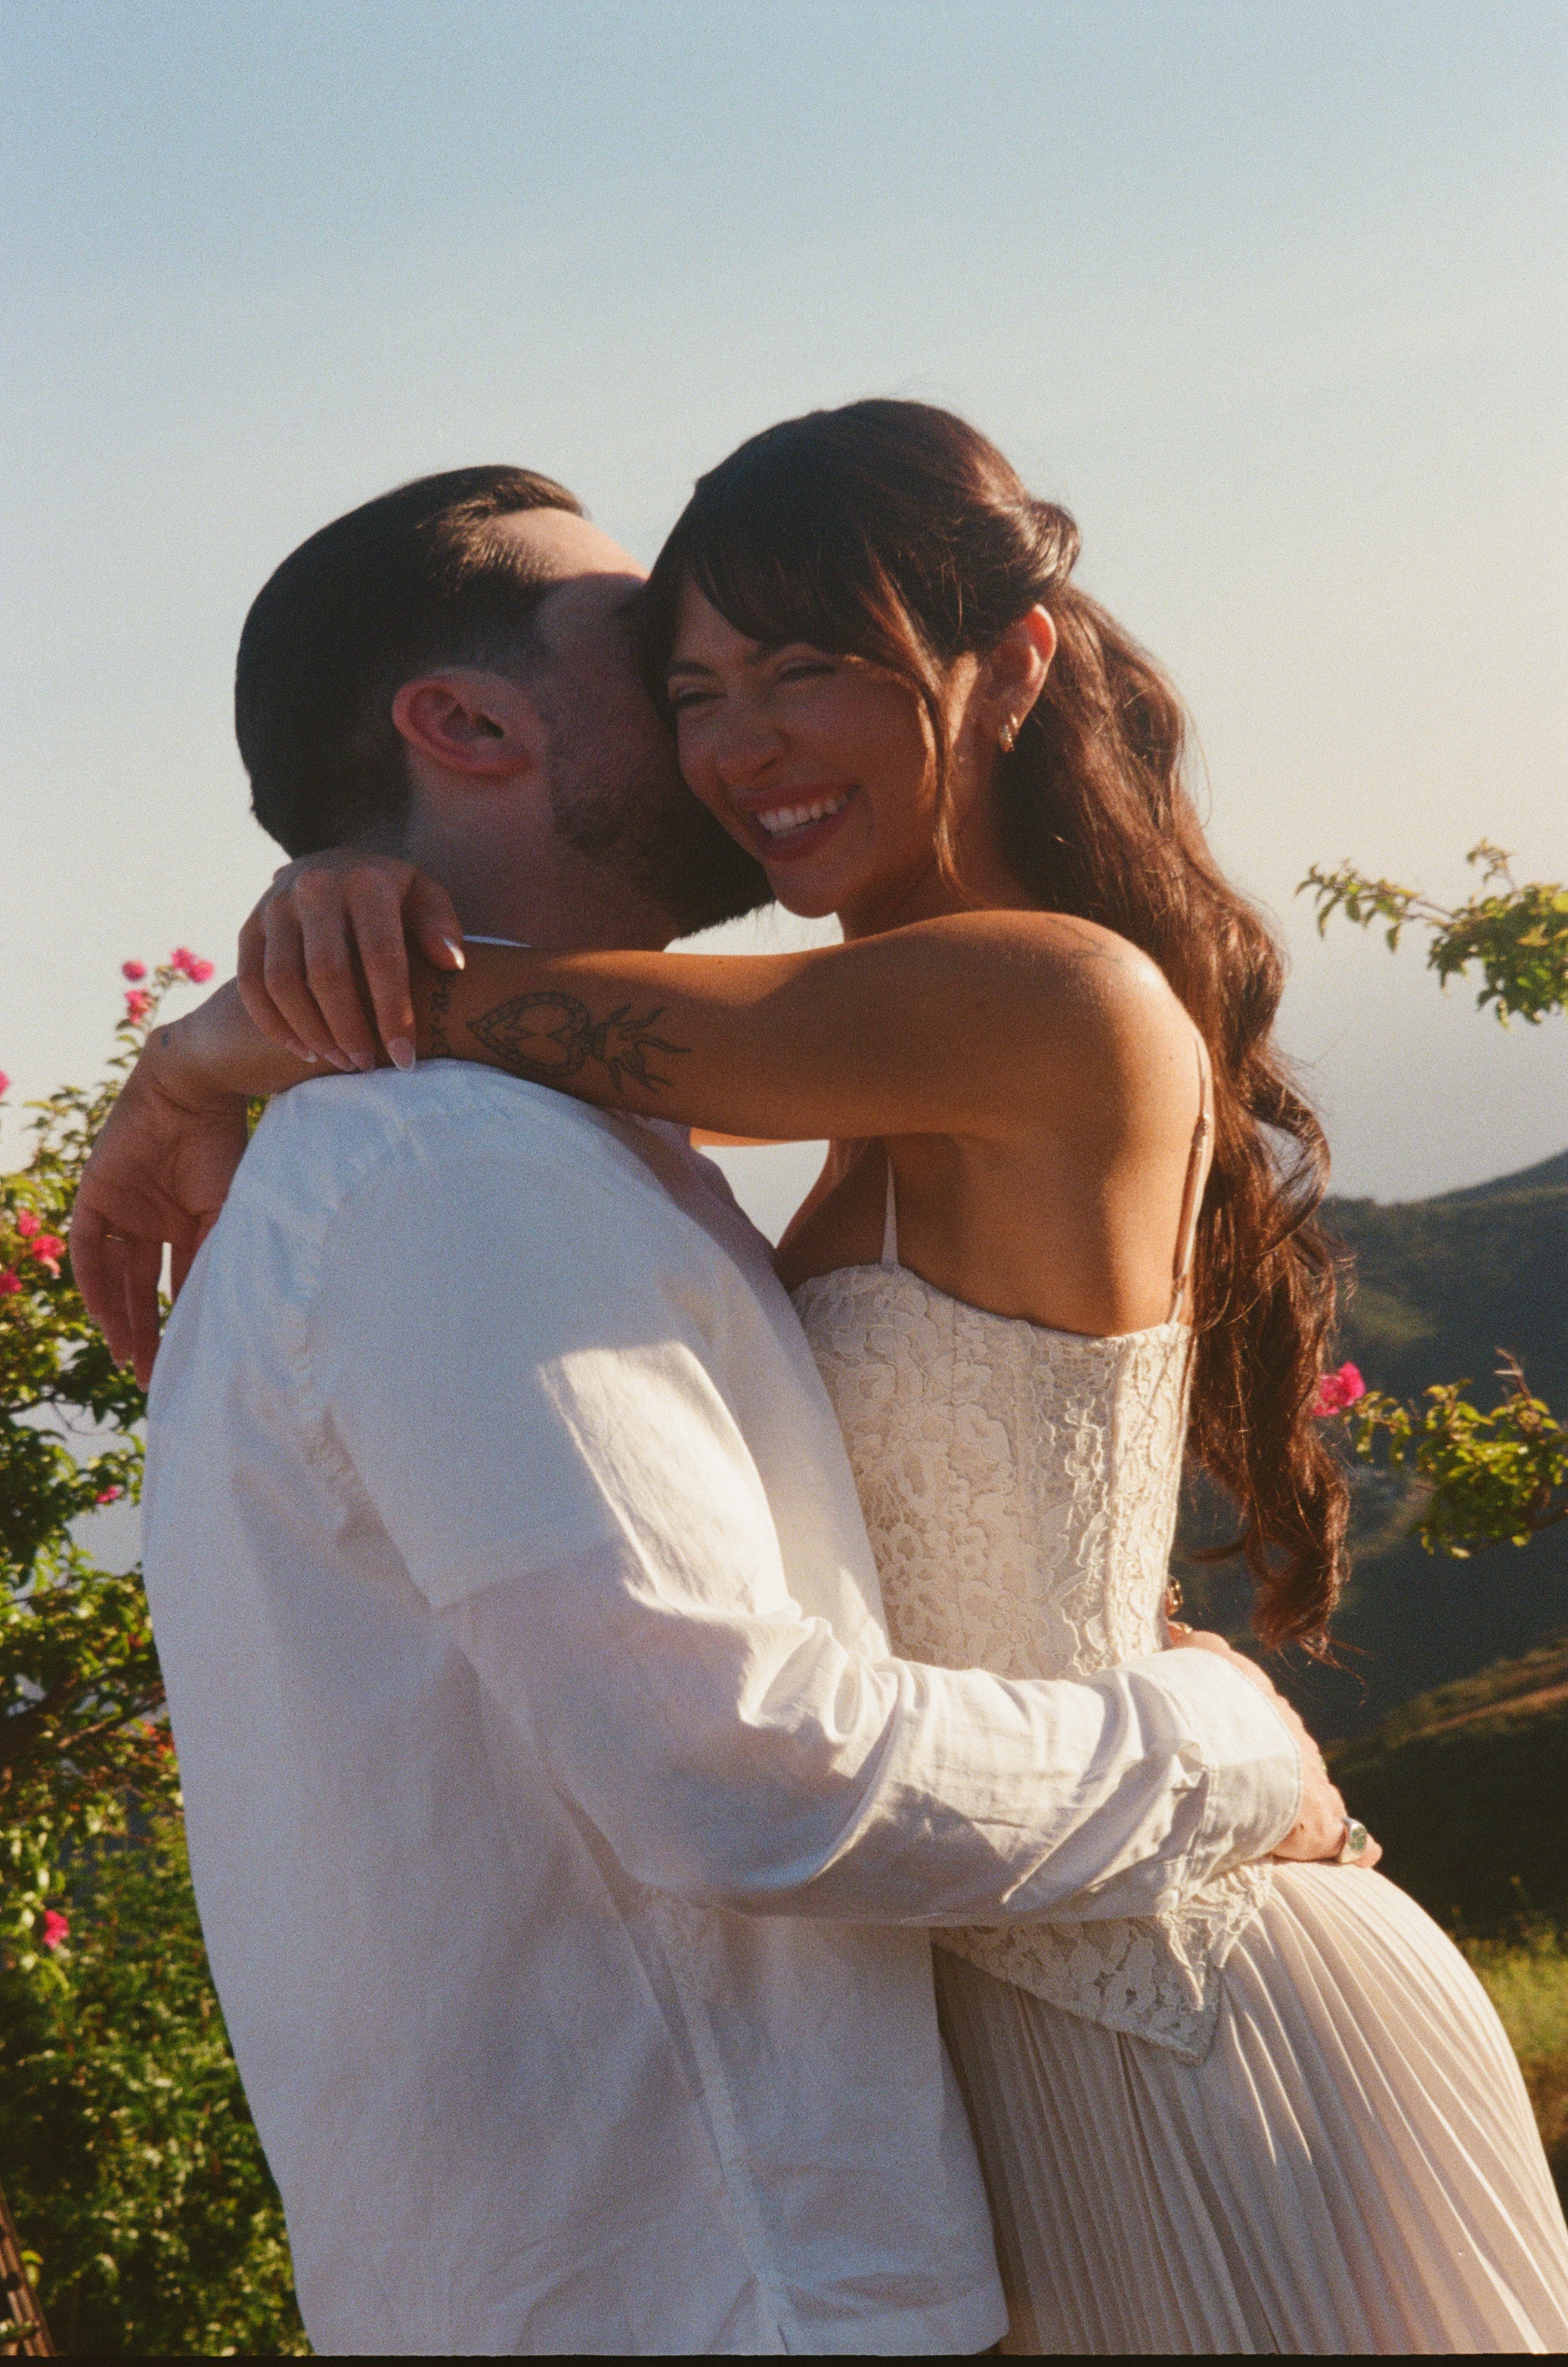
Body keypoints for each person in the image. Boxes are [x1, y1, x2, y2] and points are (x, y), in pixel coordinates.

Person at [134, 404, 1568, 2354]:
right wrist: (296, 987)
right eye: (680, 677)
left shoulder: (1040, 999)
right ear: (461, 728)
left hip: (1176, 2005)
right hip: (1011, 2044)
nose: (732, 742)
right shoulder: (574, 1136)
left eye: (802, 666)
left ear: (1011, 666)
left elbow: (527, 1026)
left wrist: (226, 1038)